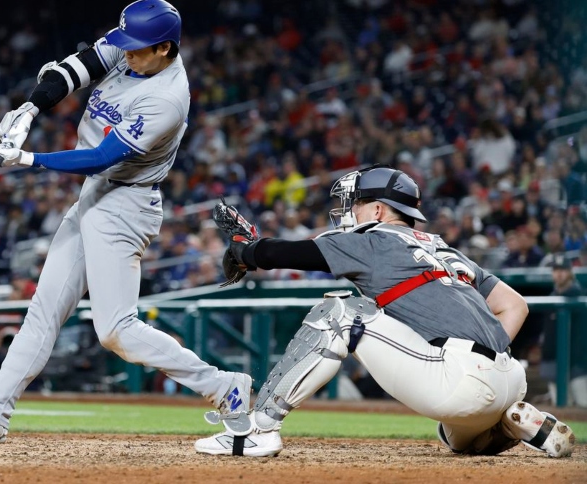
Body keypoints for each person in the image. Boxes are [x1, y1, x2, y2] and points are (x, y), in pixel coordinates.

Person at [0, 0, 250, 443]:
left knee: (116, 330)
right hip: (96, 197)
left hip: (126, 204)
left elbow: (102, 157)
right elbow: (77, 68)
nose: (126, 54)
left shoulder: (167, 98)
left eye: (137, 49)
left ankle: (224, 387)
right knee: (43, 311)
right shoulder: (136, 45)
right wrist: (30, 109)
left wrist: (29, 158)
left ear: (165, 48)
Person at [195, 166, 575, 458]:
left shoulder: (374, 238)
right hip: (508, 378)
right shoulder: (443, 248)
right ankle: (509, 427)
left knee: (340, 312)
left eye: (355, 204)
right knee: (456, 438)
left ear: (377, 209)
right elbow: (515, 305)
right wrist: (486, 358)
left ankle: (258, 429)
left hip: (460, 378)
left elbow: (288, 253)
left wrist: (248, 250)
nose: (349, 212)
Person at [538, 254, 587, 407]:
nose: (559, 273)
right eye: (556, 270)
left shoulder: (580, 296)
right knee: (561, 408)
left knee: (583, 404)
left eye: (563, 270)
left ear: (570, 272)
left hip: (579, 363)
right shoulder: (552, 297)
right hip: (555, 361)